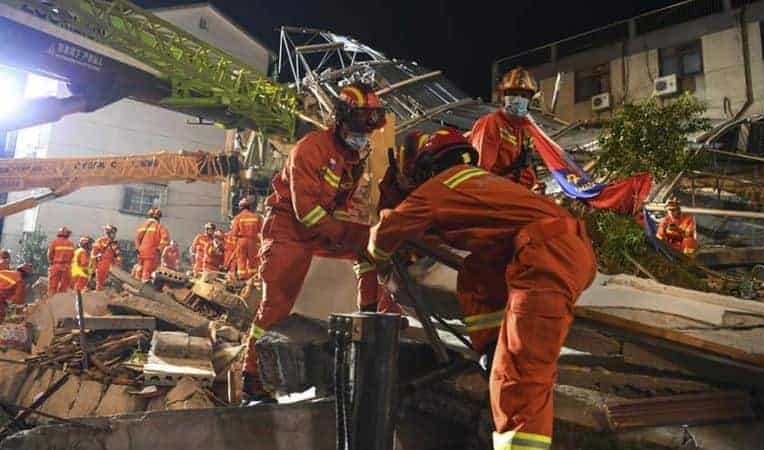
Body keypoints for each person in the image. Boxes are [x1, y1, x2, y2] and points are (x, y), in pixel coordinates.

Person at [367, 128, 596, 450]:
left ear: (426, 168)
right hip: (560, 248)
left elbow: (387, 230)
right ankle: (489, 347)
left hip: (547, 255)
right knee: (477, 272)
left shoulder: (441, 185)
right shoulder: (482, 185)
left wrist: (378, 262)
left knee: (517, 375)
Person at [242, 82, 388, 402]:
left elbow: (337, 207)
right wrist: (346, 233)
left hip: (320, 230)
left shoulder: (352, 155)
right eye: (360, 127)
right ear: (342, 119)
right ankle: (252, 377)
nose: (364, 136)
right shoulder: (311, 149)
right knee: (277, 303)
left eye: (369, 129)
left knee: (372, 252)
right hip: (289, 230)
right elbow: (305, 212)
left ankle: (369, 327)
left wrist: (359, 234)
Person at [469, 67, 542, 189]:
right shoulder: (491, 123)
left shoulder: (525, 130)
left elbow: (527, 169)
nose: (518, 99)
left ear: (530, 100)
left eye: (523, 95)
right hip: (494, 194)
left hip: (515, 193)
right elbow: (480, 173)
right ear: (503, 96)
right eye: (513, 94)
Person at [229, 197, 262, 280]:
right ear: (249, 207)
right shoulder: (256, 217)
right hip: (253, 241)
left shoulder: (238, 217)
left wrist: (235, 243)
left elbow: (234, 232)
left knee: (241, 259)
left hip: (242, 241)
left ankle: (242, 278)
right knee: (252, 260)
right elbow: (261, 231)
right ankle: (252, 278)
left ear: (240, 207)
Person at [135, 208, 170, 281]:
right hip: (151, 253)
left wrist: (138, 249)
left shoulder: (142, 226)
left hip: (141, 252)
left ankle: (136, 283)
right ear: (158, 217)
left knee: (139, 269)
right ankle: (144, 288)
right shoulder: (159, 227)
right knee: (147, 272)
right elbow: (165, 238)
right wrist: (159, 249)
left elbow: (137, 239)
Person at [91, 225, 121, 291]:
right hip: (100, 264)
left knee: (108, 283)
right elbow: (94, 254)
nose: (114, 235)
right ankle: (98, 296)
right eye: (113, 233)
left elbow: (117, 256)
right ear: (108, 233)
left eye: (114, 233)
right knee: (99, 283)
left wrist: (116, 265)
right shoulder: (100, 241)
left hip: (110, 266)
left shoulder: (114, 243)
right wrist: (95, 265)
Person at [48, 227, 74, 295]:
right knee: (64, 287)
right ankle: (60, 302)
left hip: (56, 266)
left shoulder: (54, 242)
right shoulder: (70, 243)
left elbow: (50, 254)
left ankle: (51, 302)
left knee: (53, 286)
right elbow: (72, 256)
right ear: (67, 234)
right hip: (67, 267)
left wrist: (51, 262)